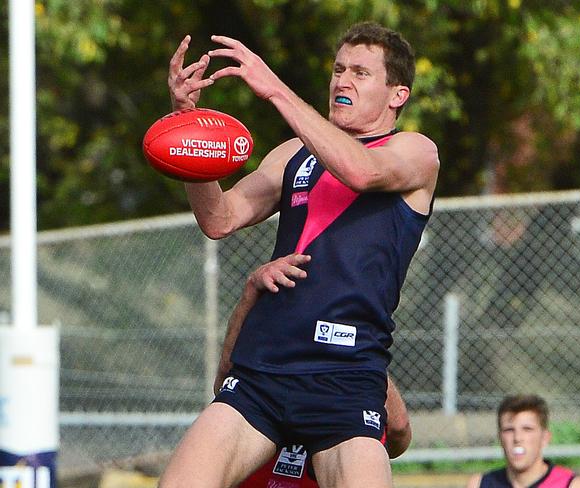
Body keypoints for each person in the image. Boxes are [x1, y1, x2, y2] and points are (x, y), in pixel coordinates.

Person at [160, 21, 439, 488]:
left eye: (360, 73)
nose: (342, 80)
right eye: (337, 69)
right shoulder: (293, 154)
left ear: (397, 95)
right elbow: (219, 219)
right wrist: (186, 125)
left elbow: (361, 172)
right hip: (263, 369)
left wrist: (273, 89)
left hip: (345, 378)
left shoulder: (414, 151)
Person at [220, 254, 412, 487]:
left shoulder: (275, 295)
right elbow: (398, 429)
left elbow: (225, 380)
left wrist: (251, 290)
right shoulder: (354, 384)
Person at [465, 395, 580, 488]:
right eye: (509, 430)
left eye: (527, 429)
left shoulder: (571, 485)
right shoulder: (479, 484)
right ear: (500, 438)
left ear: (545, 438)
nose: (517, 438)